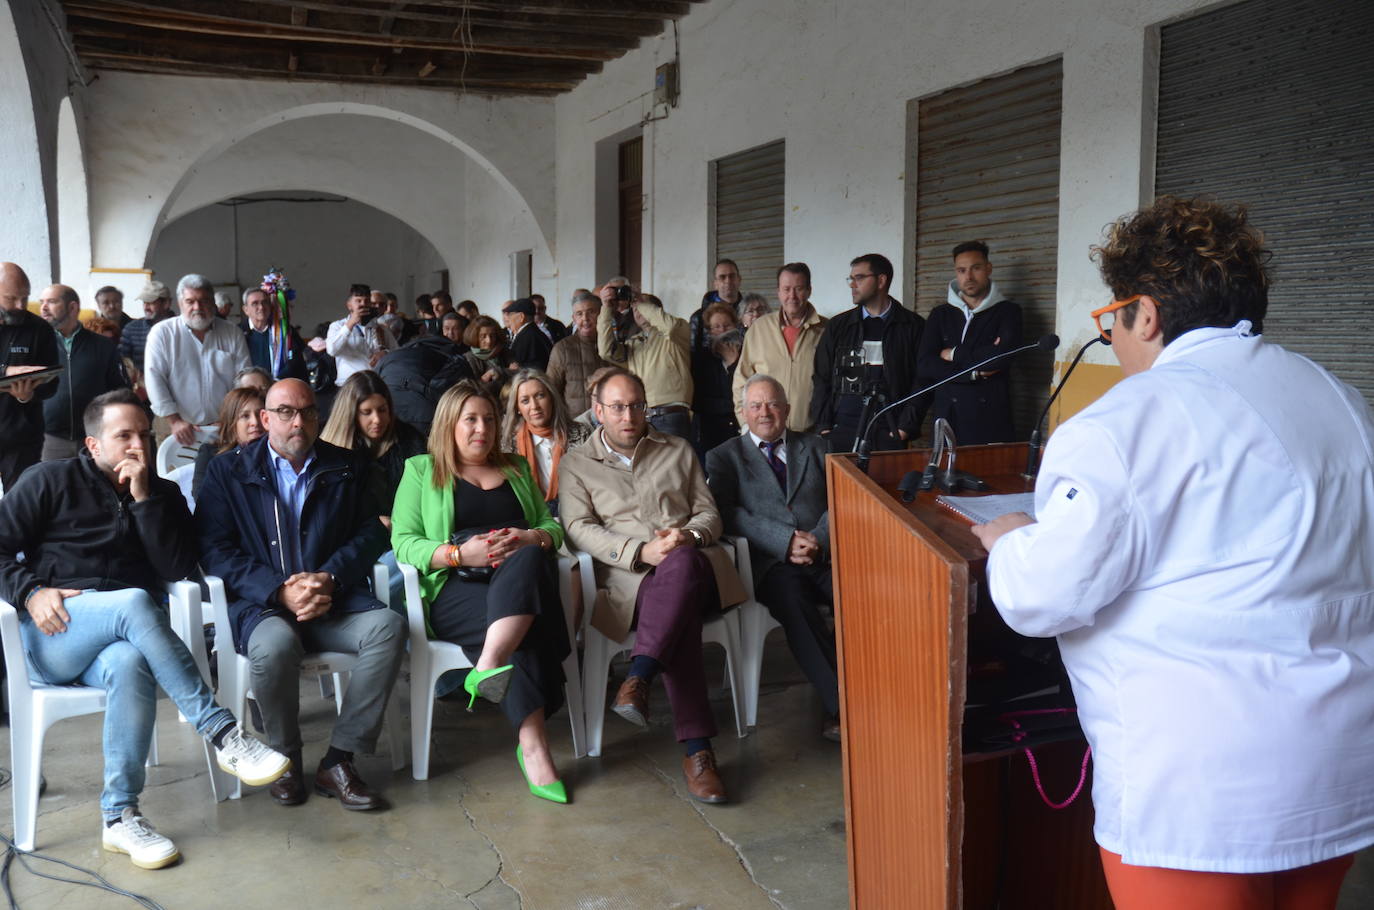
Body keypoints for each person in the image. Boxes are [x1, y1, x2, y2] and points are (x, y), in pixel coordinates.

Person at [970, 196, 1374, 910]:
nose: (1115, 338)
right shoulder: (1342, 400)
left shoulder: (1125, 421)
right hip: (1340, 775)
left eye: (1112, 320)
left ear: (1144, 314)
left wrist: (1013, 543)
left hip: (1201, 797)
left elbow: (1043, 597)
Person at [0, 389, 288, 869]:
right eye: (123, 436)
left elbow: (177, 568)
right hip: (54, 634)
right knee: (134, 600)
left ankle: (119, 817)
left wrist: (142, 501)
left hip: (125, 641)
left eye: (143, 435)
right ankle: (223, 734)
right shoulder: (50, 480)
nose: (137, 445)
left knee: (131, 662)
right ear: (93, 446)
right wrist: (31, 591)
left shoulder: (164, 494)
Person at [195, 378, 406, 811]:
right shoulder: (228, 471)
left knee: (388, 627)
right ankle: (286, 758)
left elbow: (371, 534)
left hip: (334, 600)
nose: (299, 422)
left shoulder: (347, 465)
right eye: (287, 412)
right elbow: (214, 551)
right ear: (266, 419)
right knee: (273, 648)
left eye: (308, 412)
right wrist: (277, 591)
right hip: (262, 606)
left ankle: (339, 758)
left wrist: (328, 578)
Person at [559, 369, 748, 804]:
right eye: (618, 407)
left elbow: (709, 514)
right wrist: (640, 552)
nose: (629, 416)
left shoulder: (678, 450)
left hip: (697, 570)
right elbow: (577, 527)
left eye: (637, 406)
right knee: (676, 617)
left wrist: (688, 536)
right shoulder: (577, 463)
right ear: (598, 411)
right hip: (631, 583)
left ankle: (640, 675)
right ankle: (697, 751)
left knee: (681, 564)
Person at [392, 381, 572, 802]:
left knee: (527, 560)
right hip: (456, 589)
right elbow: (403, 542)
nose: (481, 428)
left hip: (518, 579)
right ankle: (535, 747)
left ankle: (489, 665)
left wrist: (532, 538)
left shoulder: (516, 467)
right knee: (522, 625)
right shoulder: (422, 469)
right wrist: (458, 555)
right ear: (449, 424)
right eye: (470, 419)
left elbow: (550, 527)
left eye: (489, 419)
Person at [706, 375, 838, 741]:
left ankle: (873, 691)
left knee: (861, 597)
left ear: (788, 409)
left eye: (773, 404)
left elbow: (840, 498)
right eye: (756, 405)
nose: (765, 413)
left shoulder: (815, 447)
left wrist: (819, 539)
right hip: (771, 565)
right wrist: (784, 540)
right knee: (796, 606)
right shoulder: (724, 456)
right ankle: (842, 707)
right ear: (743, 412)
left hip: (824, 555)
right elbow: (726, 513)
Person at [811, 253, 927, 453]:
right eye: (851, 279)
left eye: (859, 278)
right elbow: (822, 377)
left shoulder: (913, 326)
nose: (852, 285)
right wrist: (823, 426)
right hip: (842, 428)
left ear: (881, 280)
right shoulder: (839, 326)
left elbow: (923, 380)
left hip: (890, 428)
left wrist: (905, 426)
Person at [916, 240, 1024, 444]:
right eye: (962, 270)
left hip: (990, 421)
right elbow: (925, 365)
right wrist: (975, 371)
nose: (969, 277)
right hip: (947, 417)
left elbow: (1000, 359)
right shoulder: (940, 314)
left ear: (988, 268)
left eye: (976, 268)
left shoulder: (1008, 312)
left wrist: (952, 355)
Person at [144, 274, 252, 446]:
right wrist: (175, 421)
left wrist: (231, 419)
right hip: (176, 429)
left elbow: (244, 381)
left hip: (224, 428)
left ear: (213, 304)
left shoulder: (232, 333)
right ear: (180, 304)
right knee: (174, 473)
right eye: (190, 301)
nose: (197, 307)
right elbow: (154, 379)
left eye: (204, 301)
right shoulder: (162, 333)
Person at [732, 263, 828, 432]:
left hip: (810, 433)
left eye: (799, 289)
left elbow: (832, 385)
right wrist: (746, 423)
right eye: (786, 289)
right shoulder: (759, 328)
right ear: (778, 291)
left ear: (809, 290)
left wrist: (826, 425)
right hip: (764, 433)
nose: (792, 296)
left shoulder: (826, 330)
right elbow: (742, 379)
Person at [320, 370, 427, 520]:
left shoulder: (410, 442)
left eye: (382, 410)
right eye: (366, 412)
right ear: (350, 414)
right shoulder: (327, 453)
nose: (377, 419)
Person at [596, 279, 693, 439]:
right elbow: (606, 351)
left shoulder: (675, 336)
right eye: (635, 308)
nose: (638, 310)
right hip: (640, 415)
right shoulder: (634, 344)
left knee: (670, 464)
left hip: (671, 415)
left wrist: (637, 300)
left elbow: (671, 327)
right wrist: (606, 308)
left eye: (643, 307)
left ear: (656, 311)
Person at [40, 284, 126, 462]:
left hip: (95, 439)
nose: (44, 308)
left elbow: (120, 392)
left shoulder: (103, 346)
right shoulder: (38, 345)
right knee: (53, 488)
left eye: (52, 302)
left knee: (96, 488)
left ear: (72, 307)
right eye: (42, 302)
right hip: (49, 440)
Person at [0, 263, 61, 489]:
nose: (20, 305)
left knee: (20, 505)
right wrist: (6, 373)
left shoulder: (40, 329)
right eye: (11, 298)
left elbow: (52, 383)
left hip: (22, 436)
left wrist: (28, 394)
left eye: (25, 298)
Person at [500, 368, 590, 515]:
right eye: (525, 401)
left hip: (577, 516)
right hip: (532, 523)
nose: (534, 406)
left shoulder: (582, 434)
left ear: (552, 398)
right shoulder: (507, 444)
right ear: (517, 408)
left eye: (540, 396)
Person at [376, 332, 475, 437]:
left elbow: (374, 382)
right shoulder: (449, 356)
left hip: (389, 409)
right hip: (425, 411)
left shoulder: (393, 355)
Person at [191, 386, 265, 501]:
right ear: (232, 422)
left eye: (260, 415)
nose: (255, 422)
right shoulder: (210, 454)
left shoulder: (276, 454)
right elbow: (203, 499)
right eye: (245, 416)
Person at [546, 290, 610, 418]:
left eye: (591, 312)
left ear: (601, 313)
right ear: (574, 319)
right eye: (579, 314)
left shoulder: (613, 345)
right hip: (575, 423)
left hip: (609, 421)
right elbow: (551, 390)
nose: (585, 319)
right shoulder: (562, 348)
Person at [691, 302, 742, 458]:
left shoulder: (746, 354)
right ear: (709, 331)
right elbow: (698, 401)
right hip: (712, 433)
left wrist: (734, 364)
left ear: (735, 326)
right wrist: (730, 406)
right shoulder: (701, 359)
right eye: (716, 327)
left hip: (741, 430)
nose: (722, 331)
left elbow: (747, 391)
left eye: (726, 326)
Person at [242, 287, 309, 382]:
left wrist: (277, 380)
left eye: (265, 302)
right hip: (251, 388)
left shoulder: (286, 331)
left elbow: (296, 362)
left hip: (281, 386)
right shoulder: (238, 332)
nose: (261, 307)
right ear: (246, 310)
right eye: (255, 303)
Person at [118, 280, 172, 375]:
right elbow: (123, 361)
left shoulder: (182, 328)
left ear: (166, 303)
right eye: (144, 302)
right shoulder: (131, 328)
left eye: (151, 302)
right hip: (140, 386)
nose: (146, 307)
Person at [690, 259, 743, 353]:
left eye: (732, 276)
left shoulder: (750, 313)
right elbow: (693, 355)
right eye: (722, 277)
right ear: (715, 284)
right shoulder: (698, 318)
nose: (728, 281)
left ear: (739, 280)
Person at [463, 315, 510, 401]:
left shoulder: (505, 352)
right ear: (475, 337)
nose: (489, 340)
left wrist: (498, 372)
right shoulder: (469, 358)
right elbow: (473, 389)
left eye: (492, 335)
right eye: (483, 336)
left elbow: (521, 374)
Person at [503, 298, 554, 372]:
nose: (508, 319)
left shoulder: (526, 337)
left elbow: (537, 366)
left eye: (510, 315)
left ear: (521, 317)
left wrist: (518, 368)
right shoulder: (534, 333)